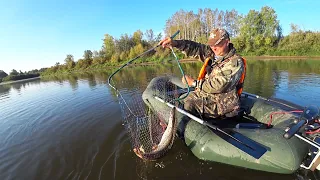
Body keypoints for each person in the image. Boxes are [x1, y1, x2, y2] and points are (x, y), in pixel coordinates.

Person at [159, 28, 246, 119]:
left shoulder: (235, 62)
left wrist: (193, 83)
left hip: (224, 104)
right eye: (211, 44)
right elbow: (195, 48)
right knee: (183, 99)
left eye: (217, 44)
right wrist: (175, 43)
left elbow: (219, 85)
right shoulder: (213, 53)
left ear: (227, 42)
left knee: (189, 105)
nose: (214, 48)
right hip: (207, 95)